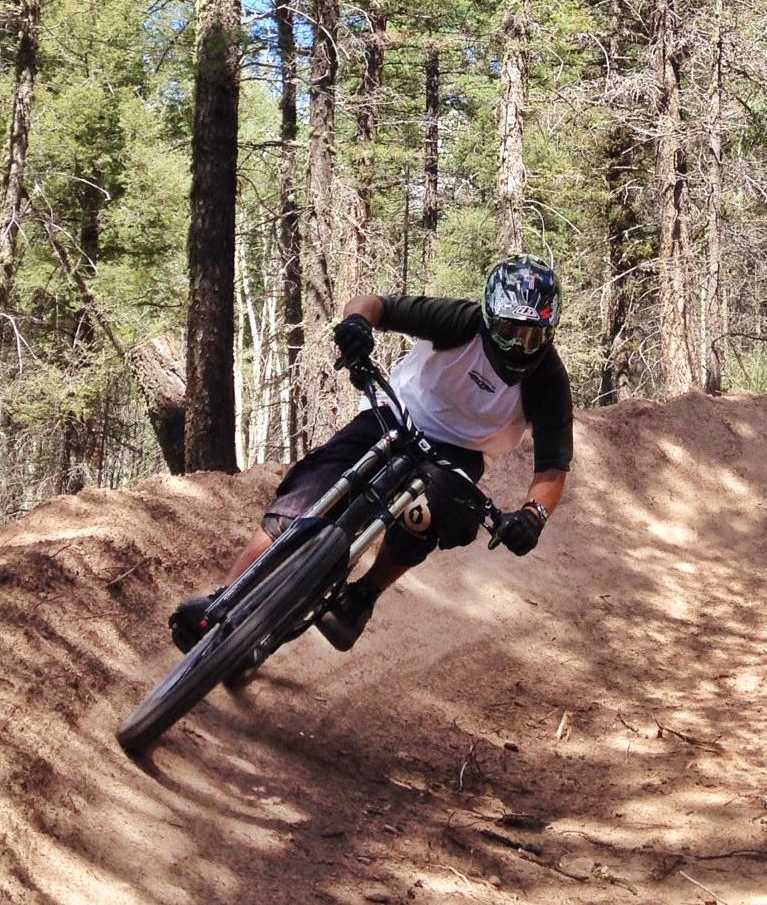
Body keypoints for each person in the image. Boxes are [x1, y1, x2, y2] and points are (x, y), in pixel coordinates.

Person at [170, 256, 572, 655]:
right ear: (487, 317)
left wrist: (533, 516)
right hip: (398, 412)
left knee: (427, 515)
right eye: (508, 330)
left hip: (462, 453)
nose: (520, 345)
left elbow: (553, 466)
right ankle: (224, 598)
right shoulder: (460, 321)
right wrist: (356, 325)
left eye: (533, 336)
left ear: (549, 334)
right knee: (310, 491)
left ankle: (363, 595)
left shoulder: (548, 380)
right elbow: (374, 304)